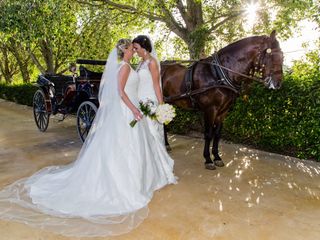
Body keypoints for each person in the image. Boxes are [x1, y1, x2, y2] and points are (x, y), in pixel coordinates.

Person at [0, 39, 177, 237]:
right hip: (130, 111)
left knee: (131, 147)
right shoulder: (125, 67)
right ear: (125, 51)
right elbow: (120, 92)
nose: (133, 51)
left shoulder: (130, 65)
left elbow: (136, 87)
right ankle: (128, 183)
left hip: (132, 111)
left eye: (134, 48)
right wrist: (135, 109)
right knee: (127, 147)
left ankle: (141, 177)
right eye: (131, 49)